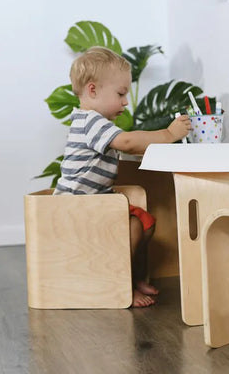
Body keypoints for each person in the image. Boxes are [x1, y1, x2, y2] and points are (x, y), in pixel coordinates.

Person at [53, 46, 191, 307]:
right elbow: (127, 142)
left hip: (98, 203)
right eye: (120, 94)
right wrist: (168, 135)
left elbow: (122, 149)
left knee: (145, 223)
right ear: (93, 90)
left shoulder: (98, 124)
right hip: (76, 207)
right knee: (134, 226)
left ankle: (135, 276)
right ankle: (120, 285)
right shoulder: (89, 121)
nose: (126, 102)